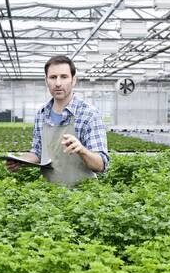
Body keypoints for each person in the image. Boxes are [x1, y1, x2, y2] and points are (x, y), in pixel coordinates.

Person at [6, 55, 109, 186]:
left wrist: (82, 150)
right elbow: (38, 153)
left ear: (73, 80)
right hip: (50, 194)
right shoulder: (42, 113)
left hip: (83, 198)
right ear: (46, 80)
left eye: (64, 77)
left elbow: (101, 165)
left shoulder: (88, 114)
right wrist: (20, 161)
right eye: (53, 77)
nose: (58, 83)